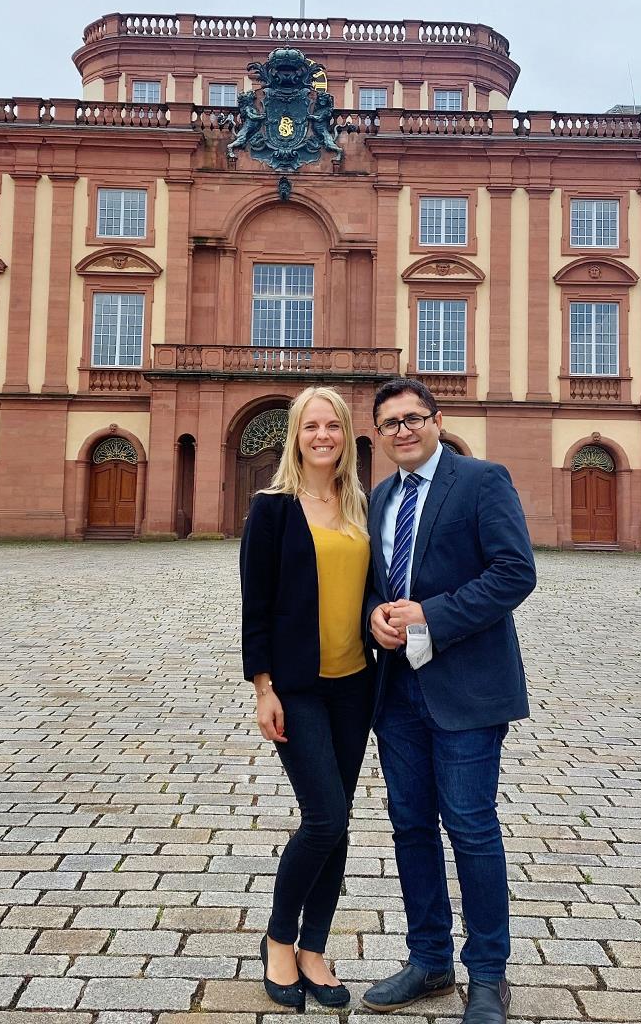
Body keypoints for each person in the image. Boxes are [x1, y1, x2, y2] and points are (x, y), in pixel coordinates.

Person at [360, 378, 537, 1024]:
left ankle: (488, 975)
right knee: (410, 826)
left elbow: (515, 572)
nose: (402, 430)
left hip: (466, 688)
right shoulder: (380, 496)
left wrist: (429, 616)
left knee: (470, 827)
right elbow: (378, 587)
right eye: (390, 423)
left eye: (413, 418)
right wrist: (375, 619)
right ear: (378, 435)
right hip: (398, 690)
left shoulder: (481, 481)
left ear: (438, 421)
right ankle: (429, 959)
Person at [239, 385, 376, 1010]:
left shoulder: (359, 505)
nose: (323, 436)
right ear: (295, 435)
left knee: (338, 826)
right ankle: (277, 941)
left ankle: (314, 947)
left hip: (355, 685)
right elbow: (255, 607)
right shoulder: (271, 509)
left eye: (333, 426)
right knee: (323, 819)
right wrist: (263, 687)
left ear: (346, 435)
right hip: (297, 688)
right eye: (311, 426)